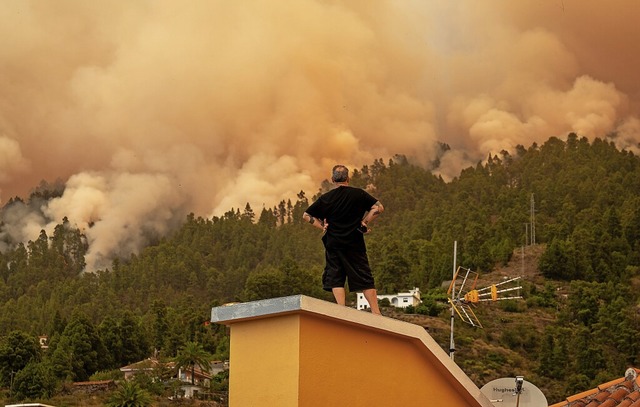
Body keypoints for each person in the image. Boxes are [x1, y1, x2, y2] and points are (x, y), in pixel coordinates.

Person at [303, 164, 384, 314]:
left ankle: (342, 310)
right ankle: (376, 312)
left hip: (333, 244)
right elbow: (378, 208)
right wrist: (364, 222)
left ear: (333, 179)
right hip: (355, 242)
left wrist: (322, 227)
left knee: (336, 276)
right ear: (348, 178)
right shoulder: (358, 194)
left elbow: (306, 215)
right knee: (364, 276)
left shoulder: (326, 198)